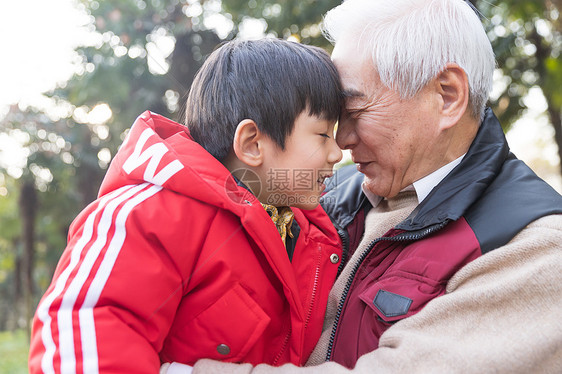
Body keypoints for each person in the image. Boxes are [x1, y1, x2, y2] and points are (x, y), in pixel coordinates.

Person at [188, 0, 562, 373]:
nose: (341, 141)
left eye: (354, 111)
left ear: (447, 95)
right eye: (332, 120)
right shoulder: (330, 195)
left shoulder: (533, 251)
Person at [28, 38, 345, 374]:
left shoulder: (310, 236)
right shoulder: (149, 216)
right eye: (323, 135)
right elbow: (85, 338)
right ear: (252, 144)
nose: (337, 153)